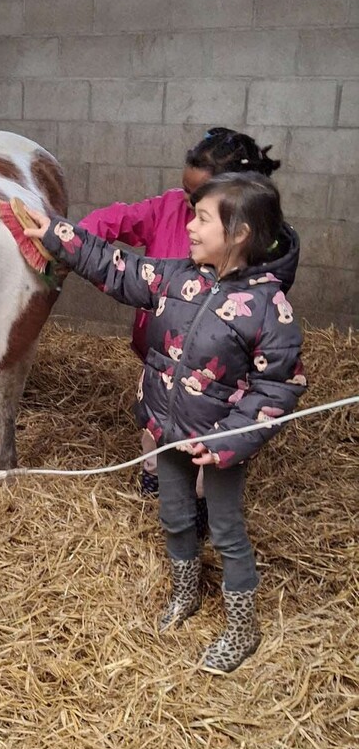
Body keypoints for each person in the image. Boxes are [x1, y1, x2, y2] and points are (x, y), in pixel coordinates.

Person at [24, 173, 305, 674]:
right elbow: (114, 266)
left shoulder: (270, 310)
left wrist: (231, 439)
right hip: (165, 426)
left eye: (201, 219)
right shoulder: (177, 277)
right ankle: (186, 595)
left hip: (216, 444)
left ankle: (243, 627)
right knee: (175, 516)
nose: (189, 228)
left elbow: (279, 388)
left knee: (225, 532)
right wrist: (56, 234)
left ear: (239, 233)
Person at [79, 128, 282, 499]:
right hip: (164, 351)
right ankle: (157, 479)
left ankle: (201, 499)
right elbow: (119, 219)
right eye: (186, 193)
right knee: (158, 422)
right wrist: (76, 237)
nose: (187, 207)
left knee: (208, 440)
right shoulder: (170, 207)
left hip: (219, 374)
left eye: (198, 200)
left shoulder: (259, 250)